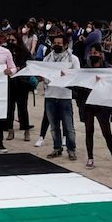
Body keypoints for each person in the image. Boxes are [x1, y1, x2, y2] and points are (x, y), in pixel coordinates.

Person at [78, 43, 112, 170]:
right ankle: (90, 158)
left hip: (102, 104)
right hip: (88, 104)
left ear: (101, 54)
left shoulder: (107, 68)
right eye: (91, 53)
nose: (93, 55)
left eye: (95, 53)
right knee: (89, 131)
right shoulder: (86, 69)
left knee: (106, 132)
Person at [41, 32, 80, 161]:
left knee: (68, 126)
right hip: (50, 95)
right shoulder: (47, 59)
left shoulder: (73, 59)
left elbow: (76, 75)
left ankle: (71, 149)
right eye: (55, 43)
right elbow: (43, 74)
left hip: (65, 96)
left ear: (65, 45)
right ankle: (57, 148)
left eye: (59, 43)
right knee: (54, 125)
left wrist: (65, 76)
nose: (56, 45)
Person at [4, 33, 33, 142]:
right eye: (10, 40)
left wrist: (19, 68)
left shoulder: (25, 52)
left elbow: (30, 65)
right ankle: (10, 130)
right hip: (10, 83)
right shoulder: (7, 52)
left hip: (22, 83)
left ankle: (26, 130)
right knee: (10, 108)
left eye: (13, 40)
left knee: (23, 108)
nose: (11, 42)